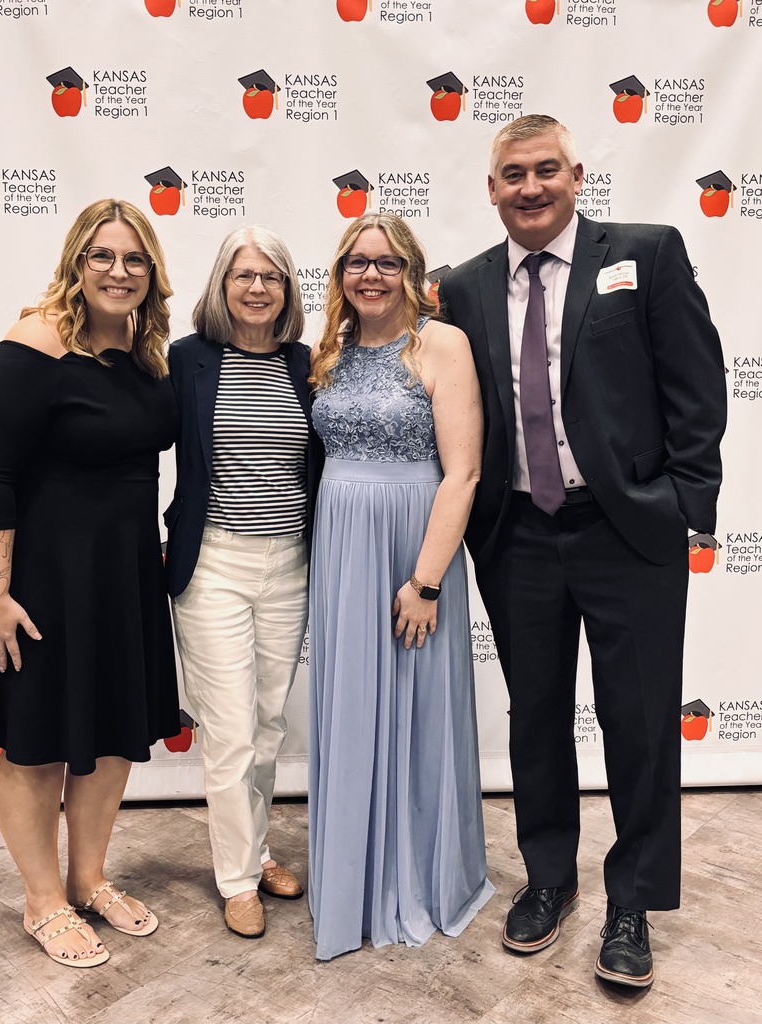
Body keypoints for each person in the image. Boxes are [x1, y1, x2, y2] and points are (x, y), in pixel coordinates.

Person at [439, 114, 727, 988]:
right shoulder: (464, 286)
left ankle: (631, 900)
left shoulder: (645, 252)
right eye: (512, 175)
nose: (530, 188)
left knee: (638, 721)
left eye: (545, 171)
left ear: (574, 175)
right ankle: (549, 878)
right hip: (517, 532)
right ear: (490, 190)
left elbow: (695, 383)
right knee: (535, 718)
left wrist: (687, 504)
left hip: (625, 527)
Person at [0, 199, 181, 968]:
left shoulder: (147, 349)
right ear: (76, 262)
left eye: (135, 259)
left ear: (152, 274)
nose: (119, 271)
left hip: (119, 574)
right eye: (102, 256)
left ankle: (89, 877)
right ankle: (42, 900)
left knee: (108, 742)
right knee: (35, 743)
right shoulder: (33, 345)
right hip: (33, 577)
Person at [308, 212, 495, 962]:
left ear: (413, 273)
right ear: (340, 273)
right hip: (339, 543)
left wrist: (425, 580)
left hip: (414, 542)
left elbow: (464, 471)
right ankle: (350, 878)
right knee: (350, 703)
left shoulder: (441, 344)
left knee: (418, 707)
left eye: (387, 263)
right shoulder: (331, 348)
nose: (371, 275)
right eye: (357, 262)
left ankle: (420, 873)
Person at [165, 226, 320, 940]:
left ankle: (255, 853)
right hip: (215, 566)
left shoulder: (305, 363)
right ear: (221, 285)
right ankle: (235, 880)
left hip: (289, 565)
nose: (257, 288)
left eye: (272, 277)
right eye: (243, 275)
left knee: (265, 728)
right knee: (227, 732)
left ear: (288, 291)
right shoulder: (189, 360)